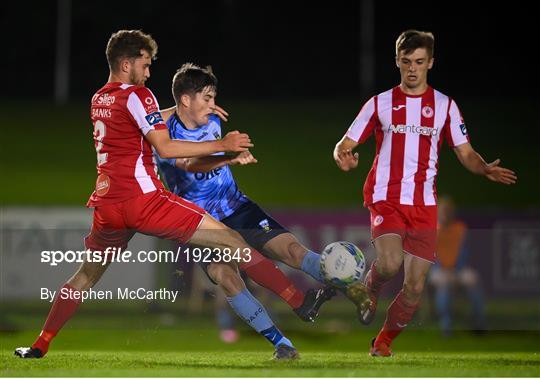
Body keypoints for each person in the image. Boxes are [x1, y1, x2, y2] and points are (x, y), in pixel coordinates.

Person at [15, 30, 301, 360]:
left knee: (85, 277)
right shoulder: (140, 95)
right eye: (146, 64)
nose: (149, 72)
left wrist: (180, 112)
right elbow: (164, 145)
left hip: (108, 206)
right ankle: (297, 300)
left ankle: (41, 344)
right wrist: (222, 145)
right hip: (144, 201)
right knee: (233, 241)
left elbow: (139, 120)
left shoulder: (99, 98)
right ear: (126, 64)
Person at [333, 30, 517, 357]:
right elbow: (344, 144)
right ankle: (371, 289)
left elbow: (465, 152)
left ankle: (382, 343)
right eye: (406, 62)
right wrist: (343, 158)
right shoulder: (380, 103)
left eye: (419, 62)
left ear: (431, 62)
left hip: (424, 205)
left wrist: (483, 167)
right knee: (389, 265)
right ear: (397, 62)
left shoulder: (445, 106)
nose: (412, 69)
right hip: (386, 197)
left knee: (415, 285)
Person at [156, 63, 367, 322]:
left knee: (291, 250)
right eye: (208, 98)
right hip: (201, 221)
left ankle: (355, 289)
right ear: (186, 100)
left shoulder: (211, 120)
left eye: (214, 98)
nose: (213, 104)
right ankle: (275, 340)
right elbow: (190, 164)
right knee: (228, 279)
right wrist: (228, 155)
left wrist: (228, 151)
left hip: (235, 206)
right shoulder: (162, 134)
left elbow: (211, 154)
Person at [429, 195, 486, 336]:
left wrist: (456, 268)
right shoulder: (431, 229)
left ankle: (479, 323)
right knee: (444, 282)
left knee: (473, 279)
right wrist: (442, 267)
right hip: (438, 270)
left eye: (449, 210)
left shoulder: (460, 228)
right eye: (443, 210)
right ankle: (446, 324)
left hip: (459, 269)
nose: (446, 213)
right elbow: (429, 255)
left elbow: (466, 251)